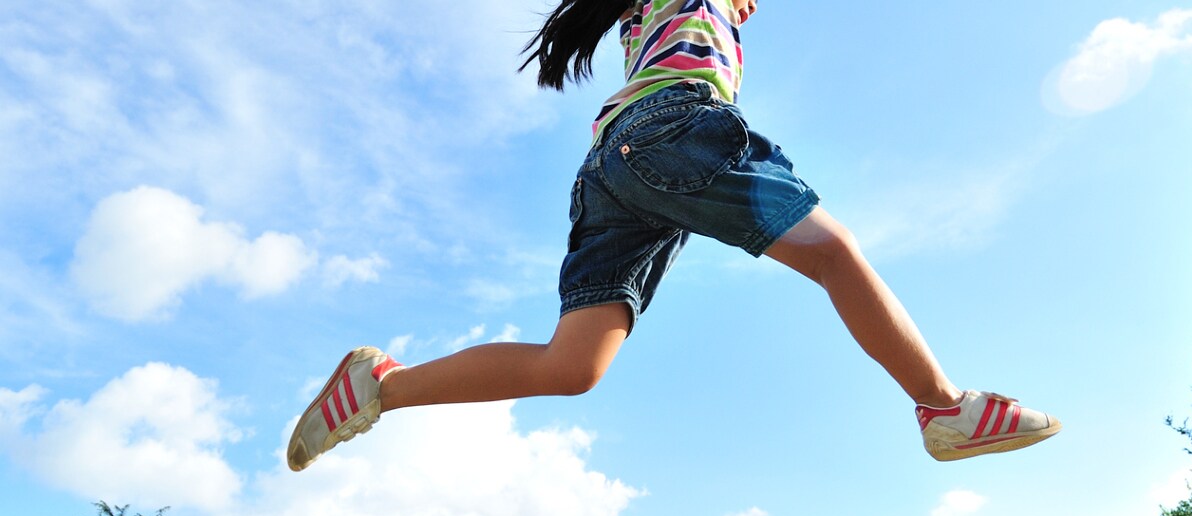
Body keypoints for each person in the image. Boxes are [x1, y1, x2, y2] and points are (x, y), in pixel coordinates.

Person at [287, 0, 1060, 472]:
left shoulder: (664, 18)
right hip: (671, 132)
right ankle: (943, 407)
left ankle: (381, 387)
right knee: (834, 252)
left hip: (618, 166)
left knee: (574, 365)